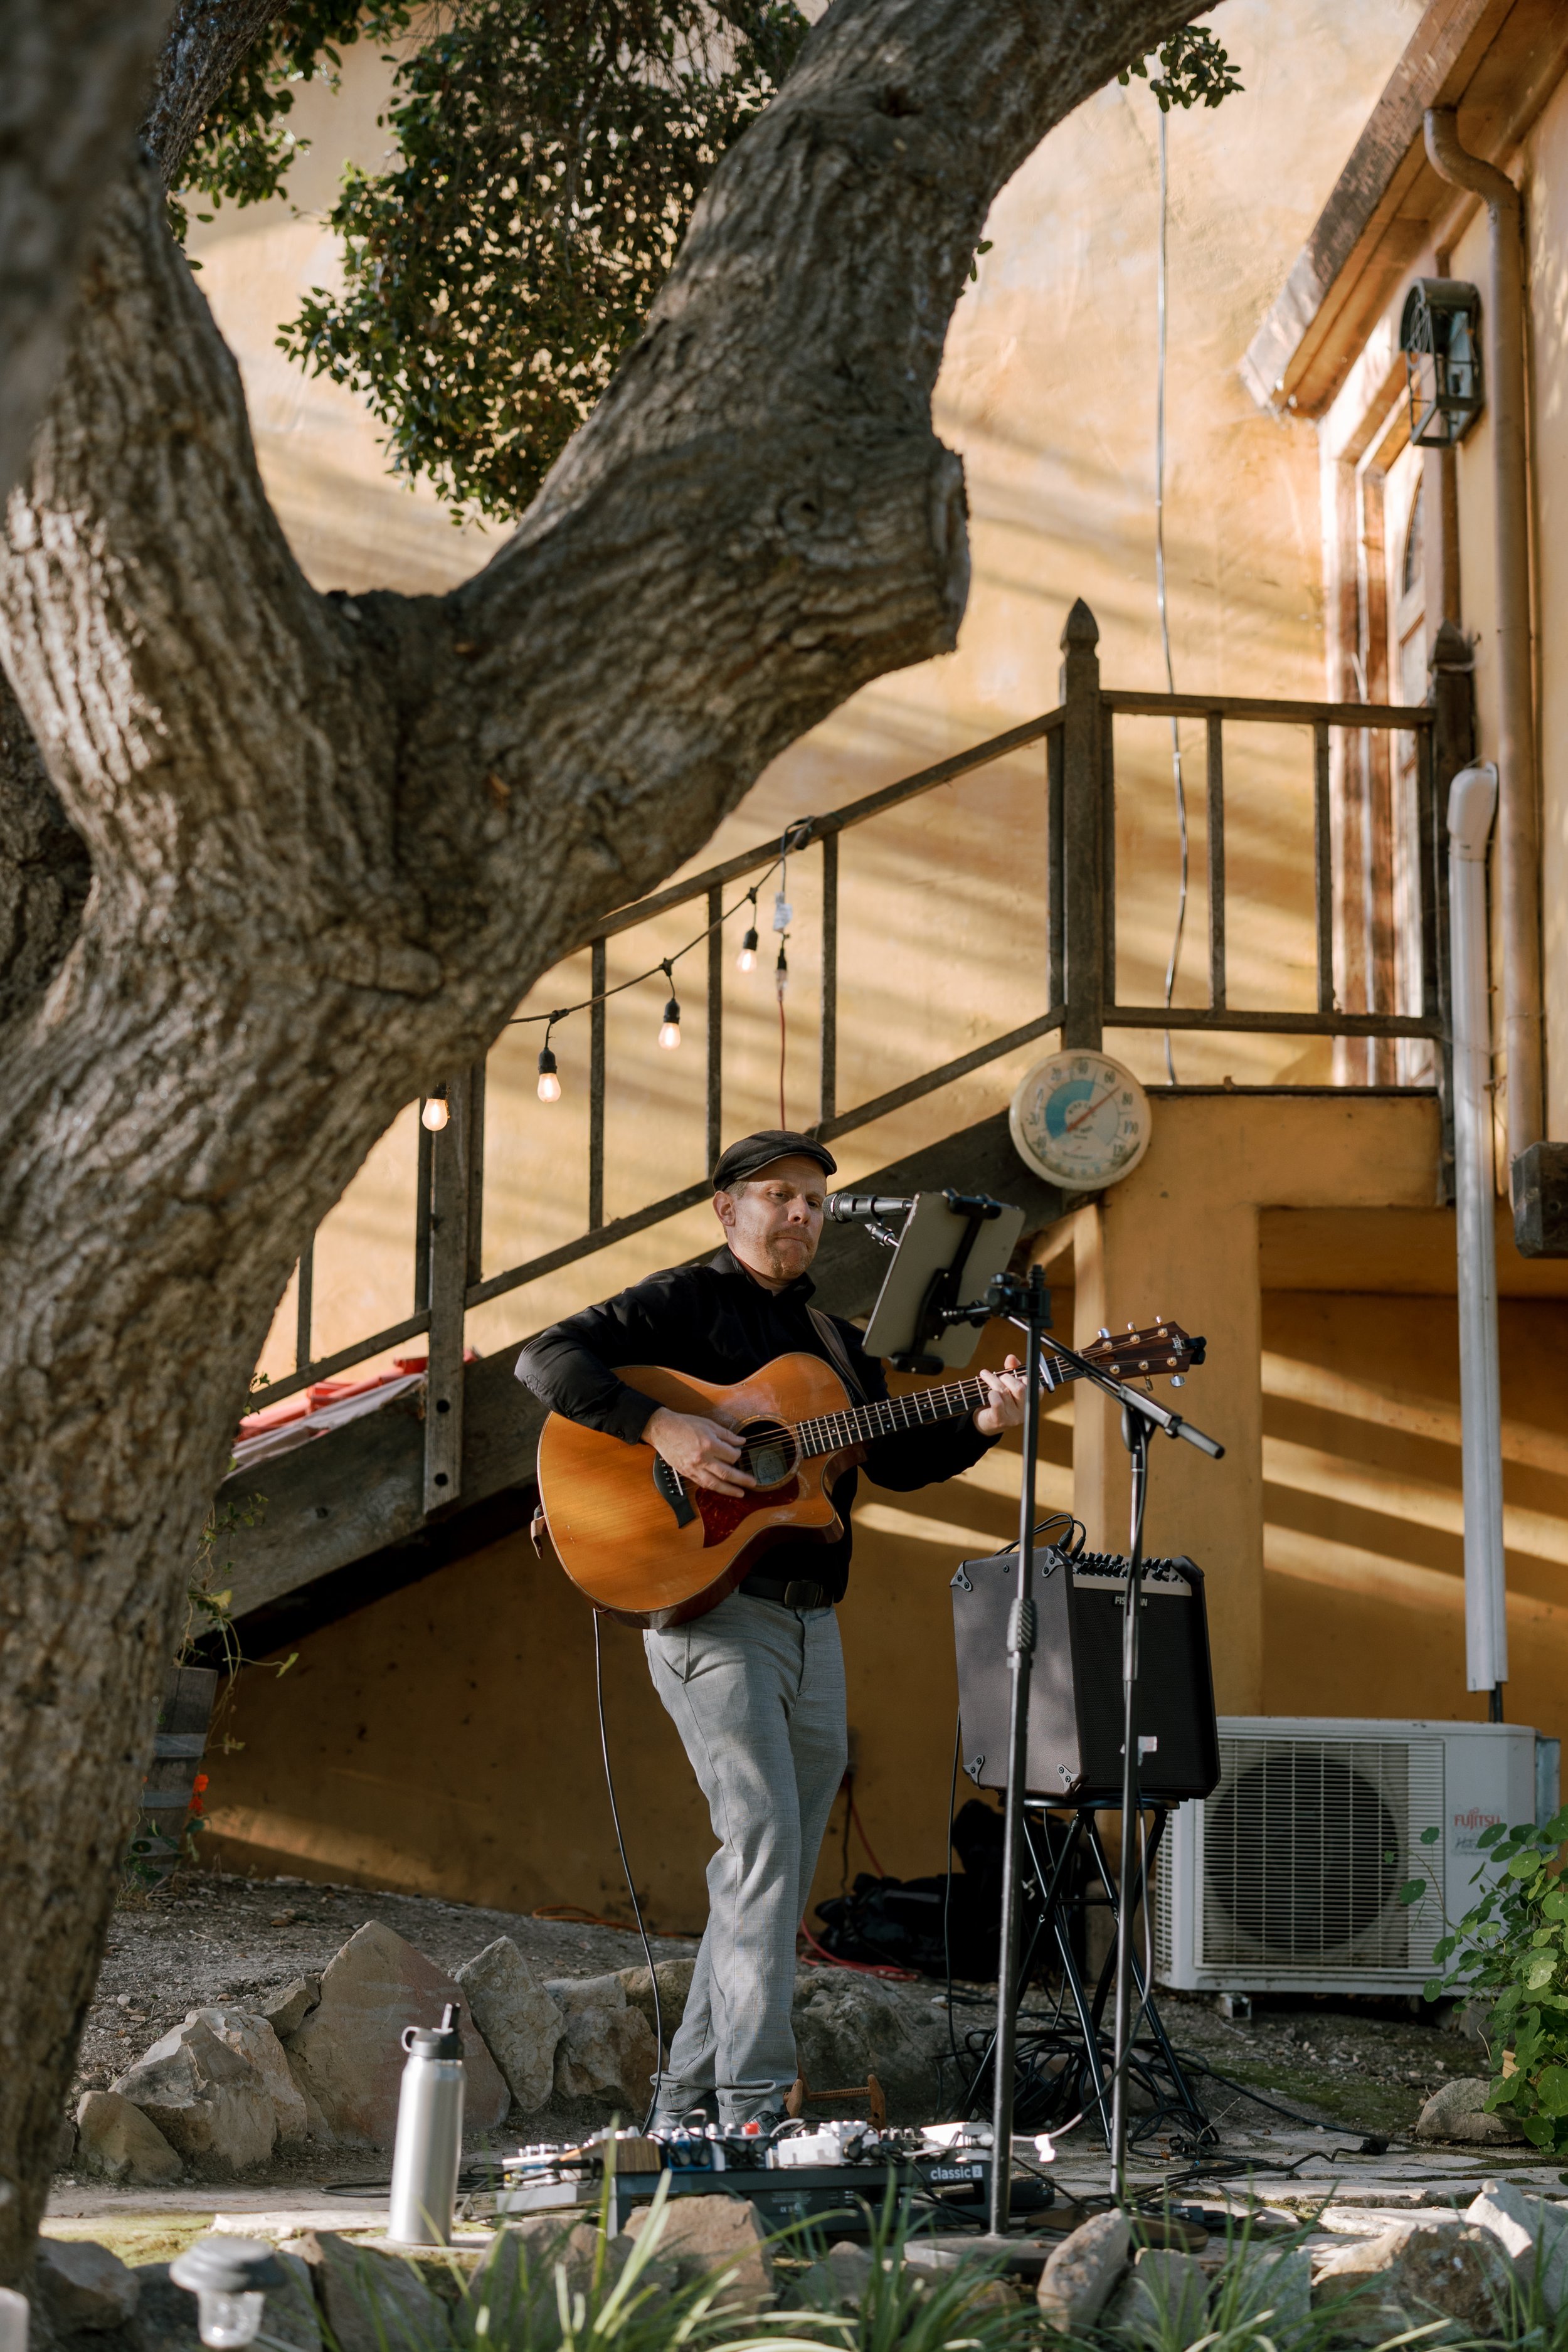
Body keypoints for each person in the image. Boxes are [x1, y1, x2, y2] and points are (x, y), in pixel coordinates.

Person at [516, 1129, 1027, 2129]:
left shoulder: (835, 1342)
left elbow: (893, 1460)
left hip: (810, 1623)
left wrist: (981, 1421)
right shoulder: (683, 1301)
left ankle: (685, 2102)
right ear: (726, 1207)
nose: (803, 1214)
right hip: (711, 1612)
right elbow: (547, 1359)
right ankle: (756, 2099)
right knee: (760, 1839)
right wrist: (658, 1424)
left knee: (772, 1861)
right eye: (781, 1195)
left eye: (817, 1202)